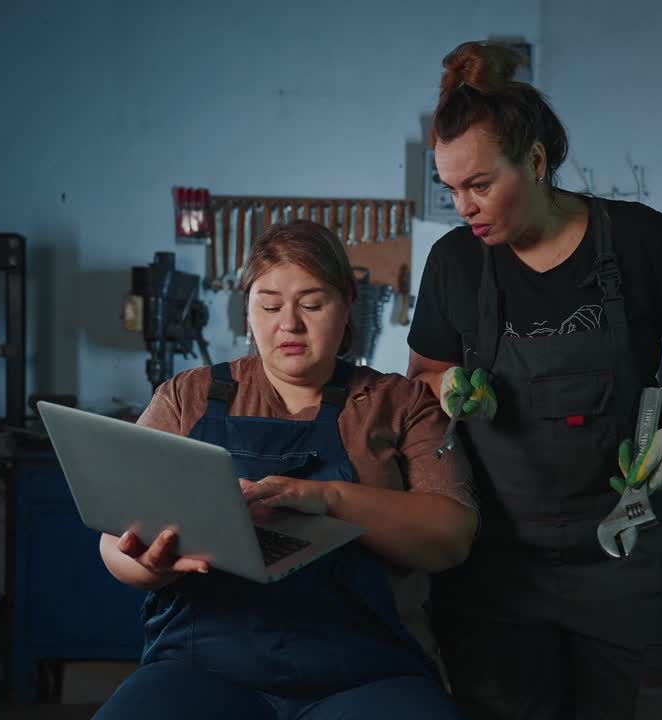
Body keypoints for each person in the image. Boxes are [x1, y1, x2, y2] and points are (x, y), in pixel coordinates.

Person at [406, 41, 662, 719]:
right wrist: (446, 388)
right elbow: (422, 371)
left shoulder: (637, 240)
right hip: (497, 572)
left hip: (630, 561)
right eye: (450, 189)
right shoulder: (454, 263)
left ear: (534, 162)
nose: (463, 206)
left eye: (479, 184)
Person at [94, 220, 479, 720]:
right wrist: (147, 565)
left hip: (367, 670)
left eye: (313, 305)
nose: (289, 325)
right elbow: (113, 534)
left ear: (346, 307)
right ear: (249, 312)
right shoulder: (185, 397)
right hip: (200, 668)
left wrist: (328, 499)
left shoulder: (399, 403)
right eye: (270, 305)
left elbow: (450, 536)